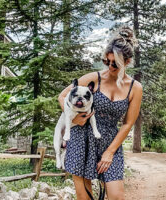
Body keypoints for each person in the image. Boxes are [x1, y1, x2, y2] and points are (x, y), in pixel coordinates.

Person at [58, 25, 143, 200]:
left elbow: (128, 123)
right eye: (107, 61)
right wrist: (76, 118)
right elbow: (63, 96)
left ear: (127, 62)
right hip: (81, 139)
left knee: (116, 196)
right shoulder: (94, 78)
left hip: (110, 142)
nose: (110, 66)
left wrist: (110, 152)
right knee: (84, 198)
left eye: (115, 63)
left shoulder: (135, 88)